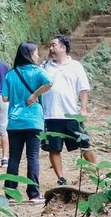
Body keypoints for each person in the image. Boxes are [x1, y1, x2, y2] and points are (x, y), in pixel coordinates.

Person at [40, 34, 95, 185]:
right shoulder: (44, 66)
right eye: (50, 46)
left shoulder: (75, 66)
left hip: (71, 114)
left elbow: (83, 89)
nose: (50, 48)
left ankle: (95, 173)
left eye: (54, 45)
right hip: (50, 115)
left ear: (63, 48)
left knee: (84, 144)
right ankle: (61, 178)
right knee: (54, 148)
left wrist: (83, 109)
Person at [1, 42, 52, 204]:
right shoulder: (38, 72)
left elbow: (5, 98)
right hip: (34, 121)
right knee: (33, 157)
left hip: (15, 122)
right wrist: (35, 94)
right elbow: (49, 83)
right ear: (29, 55)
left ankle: (10, 195)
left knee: (14, 158)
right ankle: (34, 194)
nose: (37, 56)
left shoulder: (10, 74)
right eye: (36, 53)